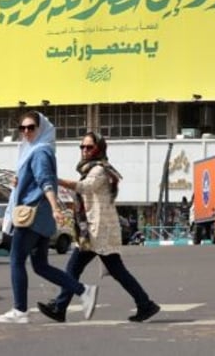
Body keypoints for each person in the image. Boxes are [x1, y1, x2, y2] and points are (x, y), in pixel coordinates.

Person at [37, 131, 160, 324]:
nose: (85, 151)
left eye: (89, 147)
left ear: (99, 149)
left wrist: (56, 180)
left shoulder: (100, 170)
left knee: (80, 269)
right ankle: (144, 303)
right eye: (82, 147)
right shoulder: (91, 169)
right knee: (104, 270)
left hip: (99, 231)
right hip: (93, 230)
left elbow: (84, 187)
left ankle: (60, 307)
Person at [0, 112, 99, 324]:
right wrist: (20, 182)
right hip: (41, 218)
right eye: (22, 128)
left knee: (16, 260)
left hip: (32, 215)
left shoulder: (40, 152)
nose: (26, 132)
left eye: (31, 127)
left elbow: (45, 182)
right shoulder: (39, 150)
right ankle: (83, 291)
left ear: (40, 128)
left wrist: (55, 208)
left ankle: (20, 311)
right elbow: (38, 180)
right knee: (40, 265)